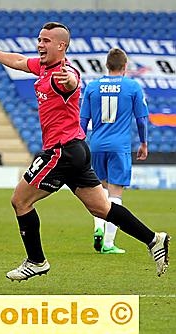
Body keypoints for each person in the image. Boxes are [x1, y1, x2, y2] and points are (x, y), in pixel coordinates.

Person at [0, 22, 169, 281]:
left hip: (60, 152)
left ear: (61, 46)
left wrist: (71, 81)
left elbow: (72, 83)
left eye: (46, 41)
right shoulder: (42, 67)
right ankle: (154, 239)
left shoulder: (64, 74)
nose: (40, 44)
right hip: (76, 150)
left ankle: (36, 261)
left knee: (20, 201)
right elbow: (19, 60)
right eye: (39, 40)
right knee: (102, 208)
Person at [80, 47, 149, 254]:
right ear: (125, 67)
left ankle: (98, 227)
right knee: (115, 194)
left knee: (98, 192)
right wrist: (144, 143)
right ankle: (108, 243)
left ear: (107, 65)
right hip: (120, 147)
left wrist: (81, 143)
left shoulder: (92, 86)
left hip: (97, 145)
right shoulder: (132, 87)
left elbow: (82, 121)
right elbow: (142, 120)